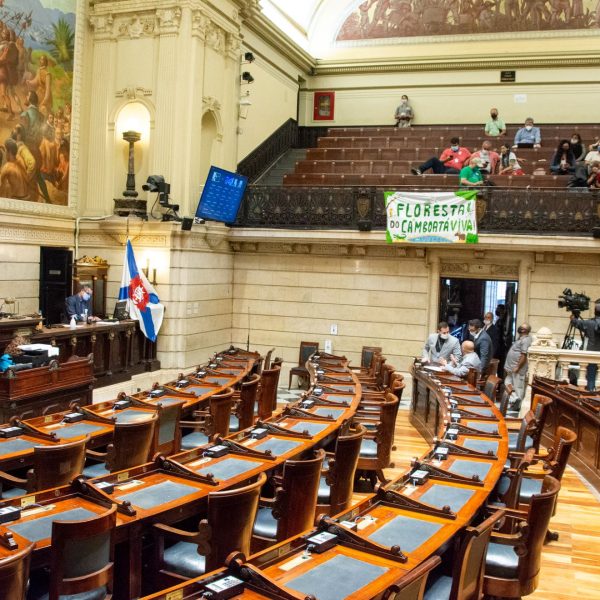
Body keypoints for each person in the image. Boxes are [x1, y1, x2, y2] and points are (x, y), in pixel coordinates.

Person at [504, 323, 533, 410]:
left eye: (523, 328)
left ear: (527, 330)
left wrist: (518, 367)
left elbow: (524, 355)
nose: (520, 329)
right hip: (511, 368)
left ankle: (517, 406)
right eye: (521, 327)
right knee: (507, 383)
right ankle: (514, 400)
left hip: (518, 368)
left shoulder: (526, 340)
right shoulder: (520, 338)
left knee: (518, 387)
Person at [571, 303, 600, 391]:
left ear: (594, 312)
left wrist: (574, 316)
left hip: (591, 353)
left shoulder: (589, 323)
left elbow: (575, 322)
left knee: (591, 375)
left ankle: (590, 392)